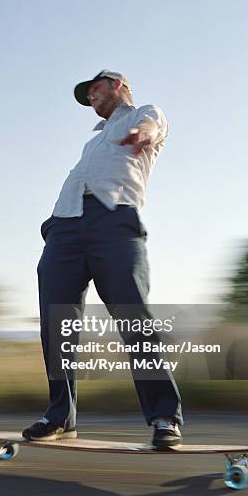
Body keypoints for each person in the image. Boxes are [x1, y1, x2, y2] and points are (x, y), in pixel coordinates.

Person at [22, 69, 183, 449]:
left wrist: (141, 134)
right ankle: (60, 415)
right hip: (65, 228)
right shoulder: (92, 142)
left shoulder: (145, 113)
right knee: (56, 323)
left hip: (114, 221)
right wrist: (52, 225)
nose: (90, 98)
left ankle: (164, 417)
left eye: (94, 90)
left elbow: (152, 128)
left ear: (116, 85)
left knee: (133, 316)